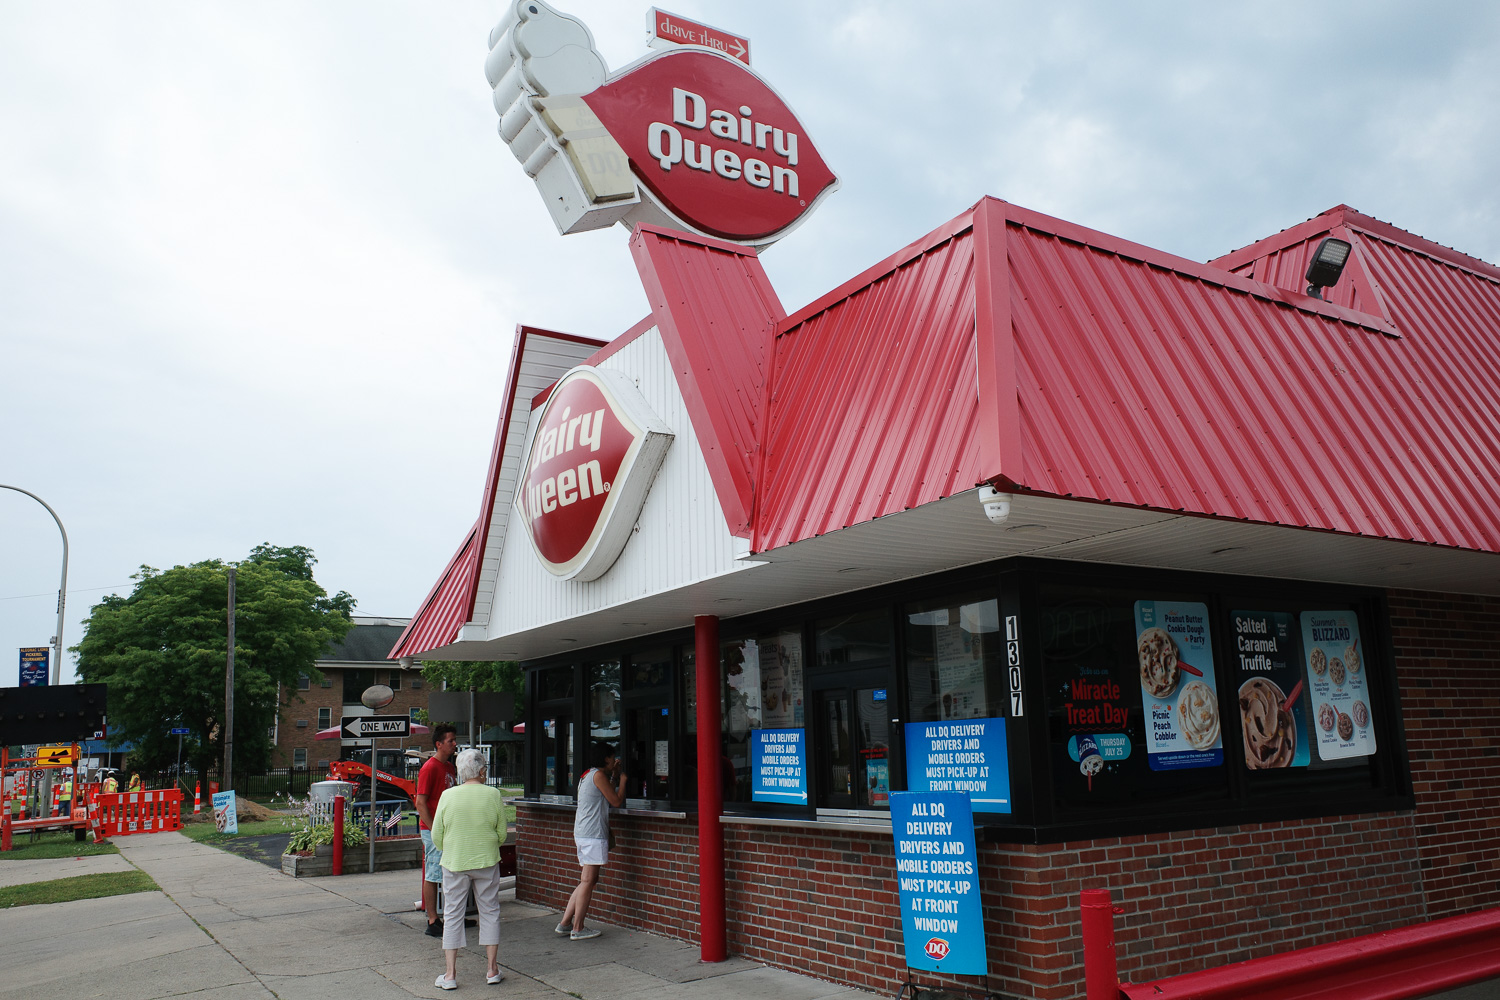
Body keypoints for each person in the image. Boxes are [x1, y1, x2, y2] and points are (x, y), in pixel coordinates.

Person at [429, 749, 507, 990]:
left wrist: (450, 849)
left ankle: (450, 975)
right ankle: (492, 970)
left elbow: (436, 835)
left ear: (461, 773)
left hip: (455, 861)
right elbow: (502, 834)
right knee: (490, 911)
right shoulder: (493, 794)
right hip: (486, 859)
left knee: (452, 914)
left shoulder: (447, 796)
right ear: (482, 771)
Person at [556, 742, 626, 941]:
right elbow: (616, 800)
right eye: (612, 757)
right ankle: (578, 927)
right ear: (605, 758)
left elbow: (605, 793)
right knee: (588, 881)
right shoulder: (598, 775)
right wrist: (624, 780)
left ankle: (565, 923)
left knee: (587, 880)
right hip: (592, 834)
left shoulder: (589, 774)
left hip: (585, 832)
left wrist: (614, 776)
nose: (614, 760)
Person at [415, 724, 459, 938]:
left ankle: (451, 917)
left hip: (449, 828)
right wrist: (434, 829)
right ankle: (433, 919)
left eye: (454, 740)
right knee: (433, 873)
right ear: (438, 744)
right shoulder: (429, 768)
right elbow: (420, 802)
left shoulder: (450, 768)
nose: (454, 744)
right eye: (450, 741)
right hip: (434, 829)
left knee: (451, 872)